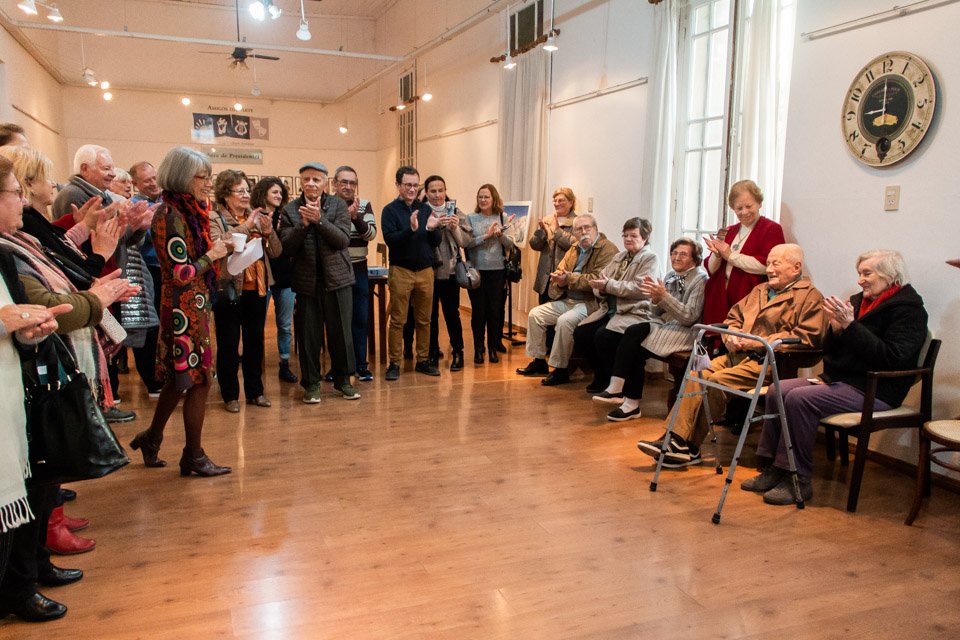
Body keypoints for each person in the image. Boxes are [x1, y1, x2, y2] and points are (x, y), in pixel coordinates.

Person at [0, 156, 133, 621]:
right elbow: (51, 297)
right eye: (17, 190)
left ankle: (32, 569)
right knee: (28, 486)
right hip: (26, 381)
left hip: (33, 369)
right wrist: (95, 295)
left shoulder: (19, 240)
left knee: (37, 482)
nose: (25, 199)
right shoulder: (10, 247)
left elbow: (54, 278)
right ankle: (21, 586)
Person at [742, 250, 927, 505]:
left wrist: (851, 327)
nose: (860, 280)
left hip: (876, 388)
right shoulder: (859, 302)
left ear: (890, 275)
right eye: (859, 273)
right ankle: (773, 466)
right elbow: (833, 350)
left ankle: (797, 479)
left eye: (867, 273)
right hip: (844, 380)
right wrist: (837, 331)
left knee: (799, 399)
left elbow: (893, 358)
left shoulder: (910, 311)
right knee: (777, 390)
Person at [637, 244, 825, 468]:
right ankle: (676, 440)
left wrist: (760, 342)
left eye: (776, 264)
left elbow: (808, 337)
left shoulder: (809, 296)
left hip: (769, 363)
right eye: (768, 263)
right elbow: (734, 317)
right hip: (738, 355)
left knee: (715, 381)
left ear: (796, 267)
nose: (769, 269)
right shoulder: (760, 290)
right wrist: (731, 335)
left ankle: (686, 445)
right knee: (697, 374)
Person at [128, 146, 232, 477]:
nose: (209, 184)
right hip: (182, 309)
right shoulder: (170, 214)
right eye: (204, 177)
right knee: (199, 380)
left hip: (193, 304)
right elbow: (180, 272)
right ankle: (193, 456)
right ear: (184, 177)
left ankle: (152, 438)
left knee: (180, 379)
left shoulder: (187, 211)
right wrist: (213, 254)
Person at [596, 238, 707, 422]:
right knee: (632, 332)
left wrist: (663, 297)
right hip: (666, 325)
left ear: (695, 259)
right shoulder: (671, 275)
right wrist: (655, 300)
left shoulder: (700, 279)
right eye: (674, 253)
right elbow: (656, 311)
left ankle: (627, 400)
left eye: (683, 254)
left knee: (635, 344)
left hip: (688, 332)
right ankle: (622, 394)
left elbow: (689, 317)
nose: (676, 257)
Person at [279, 162, 359, 402]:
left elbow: (342, 240)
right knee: (309, 336)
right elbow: (286, 247)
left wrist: (320, 220)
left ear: (326, 183)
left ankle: (343, 381)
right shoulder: (290, 210)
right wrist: (304, 225)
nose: (311, 183)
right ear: (301, 182)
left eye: (316, 179)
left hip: (338, 279)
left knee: (341, 334)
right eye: (306, 179)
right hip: (306, 282)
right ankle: (311, 383)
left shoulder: (337, 205)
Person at [209, 169, 281, 412]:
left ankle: (255, 392)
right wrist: (246, 226)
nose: (246, 195)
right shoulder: (215, 218)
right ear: (225, 194)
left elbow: (276, 252)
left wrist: (268, 232)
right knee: (229, 343)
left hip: (257, 289)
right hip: (229, 288)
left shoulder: (258, 217)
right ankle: (230, 395)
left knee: (254, 343)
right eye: (240, 191)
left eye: (247, 190)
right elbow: (218, 244)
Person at [516, 214, 618, 385]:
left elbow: (596, 279)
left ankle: (560, 369)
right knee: (536, 314)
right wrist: (559, 278)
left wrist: (568, 279)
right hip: (568, 299)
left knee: (564, 321)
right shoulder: (575, 247)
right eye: (579, 229)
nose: (583, 232)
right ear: (574, 233)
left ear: (595, 229)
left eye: (587, 228)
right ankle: (539, 361)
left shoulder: (607, 249)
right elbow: (560, 269)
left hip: (591, 303)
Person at [575, 217, 659, 393]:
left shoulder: (650, 258)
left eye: (633, 236)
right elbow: (600, 280)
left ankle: (616, 382)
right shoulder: (620, 257)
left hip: (634, 312)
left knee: (603, 336)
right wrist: (601, 289)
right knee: (581, 333)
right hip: (609, 310)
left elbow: (640, 289)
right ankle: (602, 376)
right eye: (625, 235)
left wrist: (608, 286)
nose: (628, 239)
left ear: (645, 238)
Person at [381, 166, 442, 380]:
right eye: (408, 185)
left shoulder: (425, 209)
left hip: (425, 271)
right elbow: (391, 240)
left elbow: (435, 242)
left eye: (416, 185)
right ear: (398, 185)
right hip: (401, 271)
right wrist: (411, 229)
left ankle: (423, 360)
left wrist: (433, 229)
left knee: (424, 320)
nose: (412, 189)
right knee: (398, 320)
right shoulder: (389, 211)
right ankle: (394, 363)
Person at [701, 180, 785, 326]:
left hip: (750, 297)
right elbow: (712, 270)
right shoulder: (728, 230)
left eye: (749, 206)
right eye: (739, 208)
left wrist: (730, 256)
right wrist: (717, 255)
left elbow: (767, 266)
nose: (744, 212)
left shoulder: (771, 229)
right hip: (720, 297)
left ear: (759, 203)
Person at [413, 175, 464, 370]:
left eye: (440, 190)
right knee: (429, 315)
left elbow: (465, 242)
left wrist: (454, 227)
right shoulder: (420, 212)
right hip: (426, 271)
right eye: (432, 191)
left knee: (452, 314)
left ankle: (458, 352)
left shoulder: (455, 211)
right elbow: (415, 238)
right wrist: (429, 227)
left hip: (449, 272)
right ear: (426, 192)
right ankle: (432, 352)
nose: (437, 195)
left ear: (445, 191)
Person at [460, 183, 513, 365]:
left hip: (497, 272)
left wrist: (500, 235)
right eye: (480, 197)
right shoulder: (470, 218)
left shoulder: (502, 217)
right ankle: (478, 348)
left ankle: (492, 348)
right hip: (476, 272)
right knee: (478, 312)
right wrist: (487, 236)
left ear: (493, 199)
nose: (483, 200)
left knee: (494, 312)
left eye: (486, 197)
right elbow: (466, 243)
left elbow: (511, 245)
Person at [251, 177, 297, 384]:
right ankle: (256, 365)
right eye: (274, 192)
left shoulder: (286, 216)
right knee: (257, 324)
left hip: (286, 277)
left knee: (285, 325)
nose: (278, 196)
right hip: (263, 277)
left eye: (280, 192)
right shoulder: (253, 216)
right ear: (263, 194)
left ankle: (284, 365)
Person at [334, 166, 377, 381]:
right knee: (337, 321)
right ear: (335, 183)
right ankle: (339, 367)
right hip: (335, 269)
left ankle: (361, 364)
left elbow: (371, 234)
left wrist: (355, 218)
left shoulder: (364, 205)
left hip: (359, 268)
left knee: (360, 318)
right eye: (344, 182)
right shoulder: (327, 205)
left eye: (352, 182)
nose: (348, 186)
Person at [129, 161, 164, 396]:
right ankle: (152, 379)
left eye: (154, 178)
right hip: (146, 271)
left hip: (166, 270)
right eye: (147, 180)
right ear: (135, 183)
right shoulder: (136, 205)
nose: (153, 183)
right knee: (149, 326)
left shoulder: (165, 201)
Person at [530, 187, 579, 305]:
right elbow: (535, 245)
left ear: (571, 202)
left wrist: (557, 231)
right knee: (541, 313)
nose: (557, 203)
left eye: (561, 200)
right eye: (555, 200)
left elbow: (576, 245)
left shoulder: (577, 222)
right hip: (544, 280)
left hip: (562, 280)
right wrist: (542, 232)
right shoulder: (547, 219)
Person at [51, 144, 118, 219]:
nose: (113, 174)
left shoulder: (99, 194)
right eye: (106, 168)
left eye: (113, 169)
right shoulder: (74, 196)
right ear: (84, 169)